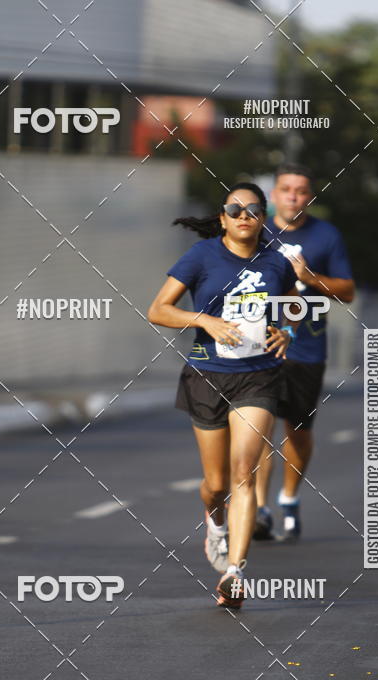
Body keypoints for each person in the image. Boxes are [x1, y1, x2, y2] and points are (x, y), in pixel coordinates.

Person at [147, 183, 297, 608]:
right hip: (207, 375)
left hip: (259, 377)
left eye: (252, 209)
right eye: (235, 209)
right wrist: (205, 322)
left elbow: (292, 308)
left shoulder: (276, 262)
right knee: (216, 485)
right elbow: (158, 310)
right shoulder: (201, 257)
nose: (243, 215)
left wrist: (286, 332)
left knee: (243, 473)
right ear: (223, 217)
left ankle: (234, 572)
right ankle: (215, 520)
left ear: (263, 217)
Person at [253, 164, 355, 542]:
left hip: (307, 347)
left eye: (300, 190)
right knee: (258, 426)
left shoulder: (326, 236)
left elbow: (347, 292)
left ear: (309, 197)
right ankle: (259, 508)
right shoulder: (257, 231)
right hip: (260, 345)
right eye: (286, 189)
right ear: (274, 195)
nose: (293, 196)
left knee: (297, 430)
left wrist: (312, 280)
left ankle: (289, 496)